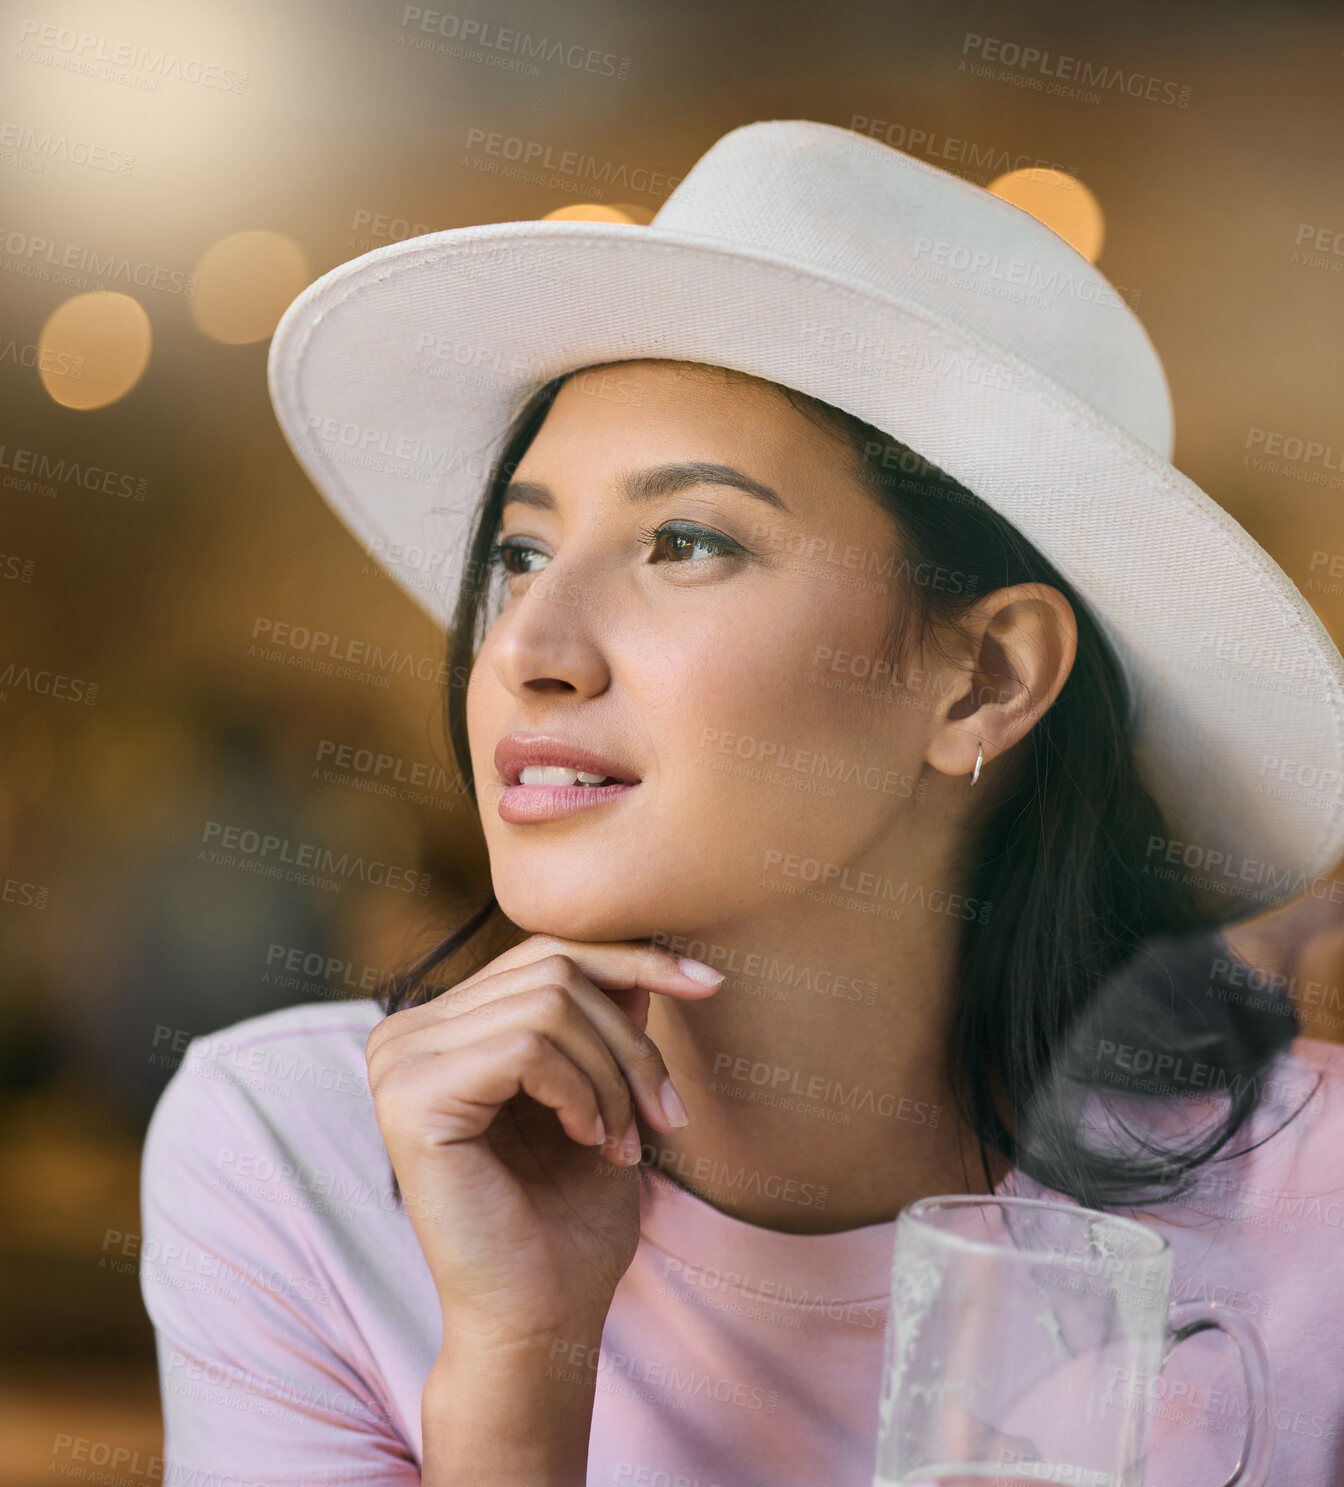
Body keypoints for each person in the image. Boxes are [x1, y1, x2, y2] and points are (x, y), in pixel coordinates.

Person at [141, 120, 1344, 1486]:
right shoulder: (299, 1152)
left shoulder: (1318, 1208)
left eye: (688, 541)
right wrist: (518, 1362)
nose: (530, 646)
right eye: (520, 552)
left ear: (985, 680)